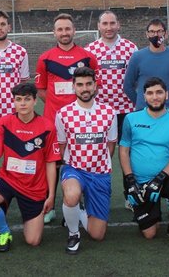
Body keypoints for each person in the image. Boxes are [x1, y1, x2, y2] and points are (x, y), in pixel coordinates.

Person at [0, 83, 59, 252]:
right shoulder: (4, 123)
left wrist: (51, 195)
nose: (22, 103)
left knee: (33, 240)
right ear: (14, 102)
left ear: (35, 101)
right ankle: (4, 232)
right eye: (18, 100)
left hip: (34, 187)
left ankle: (28, 216)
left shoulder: (47, 127)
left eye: (27, 99)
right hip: (8, 179)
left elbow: (51, 163)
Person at [35, 13, 98, 223]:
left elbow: (94, 86)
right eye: (60, 29)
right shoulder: (45, 58)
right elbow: (41, 89)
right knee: (53, 162)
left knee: (80, 161)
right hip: (53, 121)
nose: (64, 33)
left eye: (67, 29)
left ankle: (75, 204)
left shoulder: (88, 57)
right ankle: (50, 204)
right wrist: (57, 106)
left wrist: (76, 108)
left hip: (81, 122)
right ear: (54, 33)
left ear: (74, 31)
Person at [119, 77, 169, 246]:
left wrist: (159, 179)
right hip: (139, 181)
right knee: (150, 234)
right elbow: (123, 151)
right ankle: (150, 211)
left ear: (167, 95)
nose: (155, 97)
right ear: (144, 97)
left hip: (165, 178)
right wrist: (130, 180)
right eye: (150, 93)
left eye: (159, 92)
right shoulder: (131, 119)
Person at [55, 67, 116, 255]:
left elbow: (111, 144)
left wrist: (100, 163)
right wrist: (66, 170)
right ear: (73, 87)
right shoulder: (63, 114)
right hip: (74, 169)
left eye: (89, 84)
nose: (85, 88)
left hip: (100, 172)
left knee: (97, 234)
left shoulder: (109, 112)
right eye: (80, 84)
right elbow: (62, 145)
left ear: (95, 85)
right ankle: (74, 233)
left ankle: (79, 211)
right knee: (72, 194)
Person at [84, 10, 137, 145]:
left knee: (128, 148)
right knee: (98, 148)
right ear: (98, 26)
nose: (109, 27)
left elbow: (137, 77)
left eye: (112, 23)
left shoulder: (131, 48)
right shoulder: (90, 50)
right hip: (99, 109)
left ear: (118, 25)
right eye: (105, 23)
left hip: (127, 108)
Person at [123, 18, 169, 114]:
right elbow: (127, 86)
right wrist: (142, 102)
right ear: (147, 34)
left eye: (159, 31)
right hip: (143, 112)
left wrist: (167, 99)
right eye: (152, 32)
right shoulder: (137, 56)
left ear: (166, 34)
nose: (156, 35)